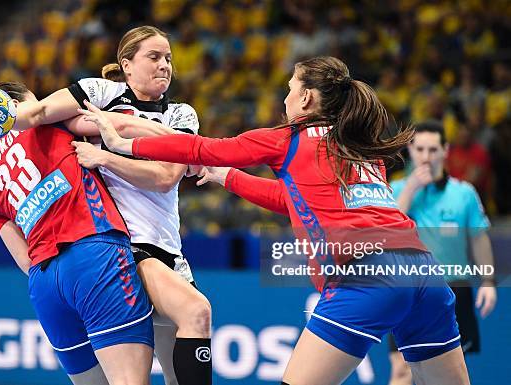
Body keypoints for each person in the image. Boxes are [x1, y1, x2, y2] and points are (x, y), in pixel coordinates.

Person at [80, 56, 474, 385]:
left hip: (366, 275)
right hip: (424, 272)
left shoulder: (288, 138)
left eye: (289, 88)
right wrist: (227, 179)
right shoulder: (358, 145)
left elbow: (202, 147)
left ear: (305, 97)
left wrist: (124, 144)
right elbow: (294, 201)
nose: (285, 97)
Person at [15, 26, 212, 385]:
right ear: (127, 64)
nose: (165, 65)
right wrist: (6, 118)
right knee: (197, 312)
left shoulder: (182, 115)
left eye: (168, 58)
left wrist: (105, 155)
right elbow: (43, 112)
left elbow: (166, 176)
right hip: (122, 247)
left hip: (168, 249)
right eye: (154, 57)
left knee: (177, 372)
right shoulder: (100, 92)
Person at [0, 82, 155, 385]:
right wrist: (183, 139)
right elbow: (117, 124)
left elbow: (24, 260)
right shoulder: (47, 121)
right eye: (35, 100)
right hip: (93, 254)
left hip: (45, 286)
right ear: (18, 106)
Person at [386, 121, 496, 385]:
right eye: (420, 149)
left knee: (449, 375)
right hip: (407, 291)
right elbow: (385, 234)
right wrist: (411, 189)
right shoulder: (396, 189)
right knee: (402, 371)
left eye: (433, 149)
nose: (426, 156)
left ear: (445, 150)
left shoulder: (464, 194)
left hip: (454, 289)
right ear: (410, 149)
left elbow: (479, 239)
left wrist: (489, 281)